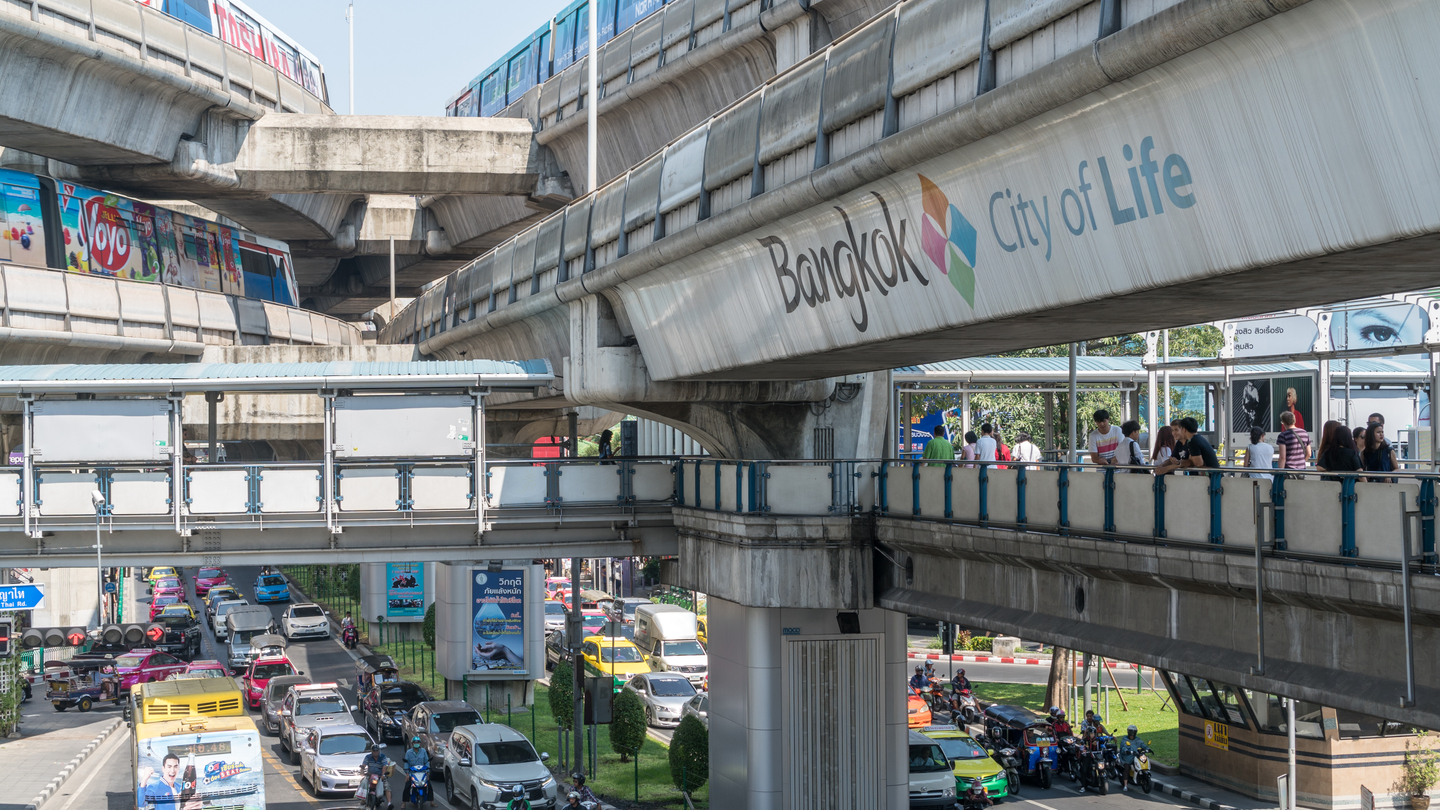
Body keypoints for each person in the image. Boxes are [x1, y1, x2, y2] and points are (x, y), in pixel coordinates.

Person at [402, 736, 434, 808]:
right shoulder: (408, 752)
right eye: (415, 742)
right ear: (412, 743)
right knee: (407, 786)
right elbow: (406, 763)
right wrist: (407, 774)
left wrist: (427, 772)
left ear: (420, 743)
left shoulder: (423, 751)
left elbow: (426, 762)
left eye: (418, 742)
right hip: (412, 773)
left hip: (422, 772)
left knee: (429, 785)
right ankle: (404, 803)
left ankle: (431, 801)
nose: (416, 744)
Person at [362, 743, 394, 809]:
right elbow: (364, 765)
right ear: (372, 751)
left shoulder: (382, 756)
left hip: (379, 776)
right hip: (370, 775)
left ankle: (389, 803)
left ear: (378, 751)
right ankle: (363, 799)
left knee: (387, 786)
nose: (375, 752)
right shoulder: (368, 757)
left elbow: (384, 766)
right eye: (374, 751)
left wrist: (383, 775)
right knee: (363, 783)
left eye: (377, 751)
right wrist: (362, 770)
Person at [1116, 725, 1143, 792]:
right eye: (1131, 732)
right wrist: (1126, 751)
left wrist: (1147, 749)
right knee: (1127, 768)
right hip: (1127, 756)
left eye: (1134, 732)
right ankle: (1125, 785)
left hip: (1136, 756)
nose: (1132, 734)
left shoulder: (1137, 739)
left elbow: (1142, 744)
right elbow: (1123, 747)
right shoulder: (1125, 739)